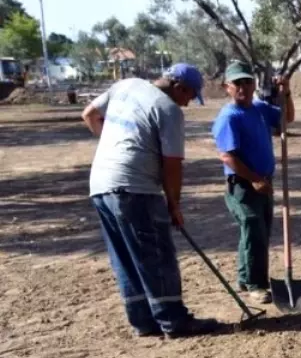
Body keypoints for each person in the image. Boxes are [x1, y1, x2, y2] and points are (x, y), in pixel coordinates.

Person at [81, 63, 222, 339]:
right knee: (157, 254)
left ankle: (143, 321)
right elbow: (172, 164)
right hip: (135, 189)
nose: (188, 103)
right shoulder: (168, 110)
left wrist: (114, 146)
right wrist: (174, 204)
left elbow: (89, 114)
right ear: (179, 87)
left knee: (125, 256)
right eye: (190, 96)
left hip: (100, 184)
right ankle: (173, 320)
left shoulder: (126, 85)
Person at [211, 60, 295, 305]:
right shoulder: (229, 117)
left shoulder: (258, 108)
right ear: (227, 87)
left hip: (263, 183)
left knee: (257, 232)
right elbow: (227, 156)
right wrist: (256, 180)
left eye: (248, 82)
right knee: (253, 227)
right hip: (243, 185)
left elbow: (286, 119)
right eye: (238, 83)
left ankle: (244, 277)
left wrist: (286, 93)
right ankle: (256, 285)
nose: (243, 87)